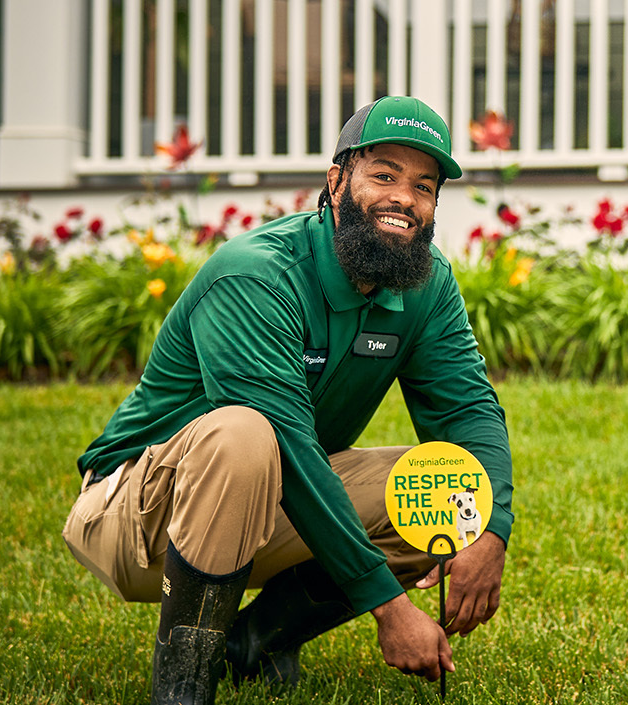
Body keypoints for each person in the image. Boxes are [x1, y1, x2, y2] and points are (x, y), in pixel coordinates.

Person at [61, 96, 514, 705]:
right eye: (384, 174)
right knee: (245, 434)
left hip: (268, 497)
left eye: (423, 186)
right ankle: (182, 690)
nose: (404, 198)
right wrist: (389, 607)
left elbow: (468, 411)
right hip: (135, 515)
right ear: (336, 180)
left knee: (447, 485)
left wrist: (490, 529)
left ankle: (252, 642)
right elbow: (290, 451)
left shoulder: (426, 283)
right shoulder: (257, 275)